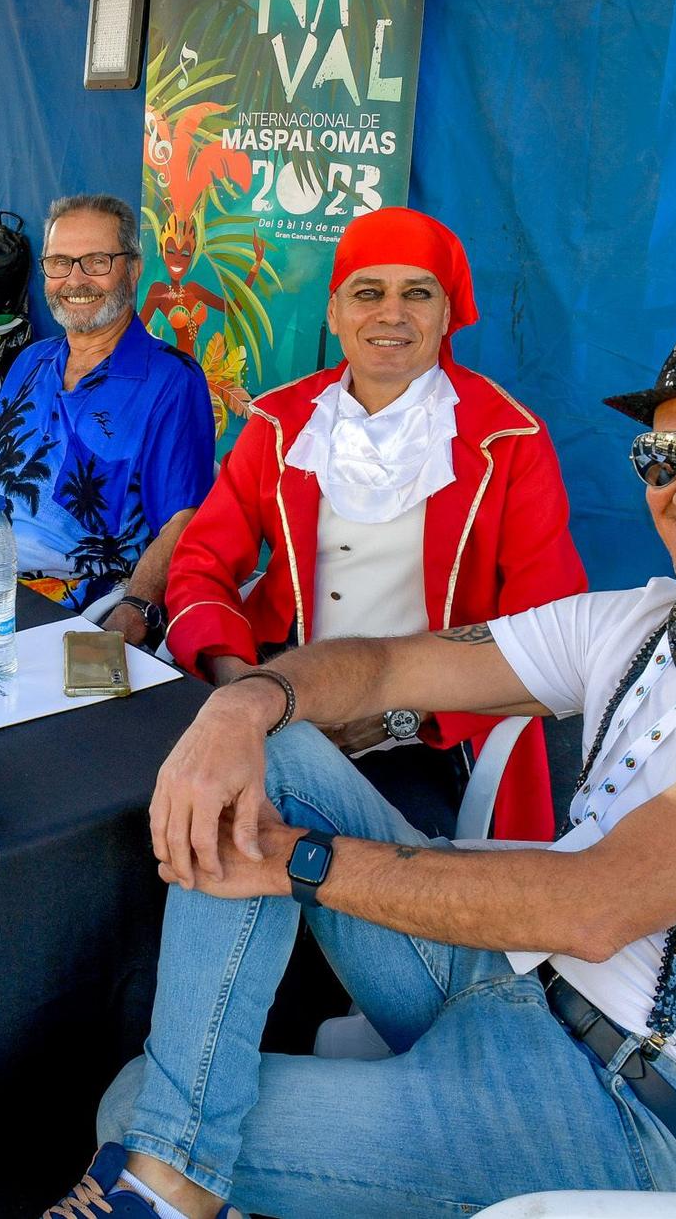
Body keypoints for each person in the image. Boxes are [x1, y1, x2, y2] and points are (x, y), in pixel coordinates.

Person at [46, 287, 676, 1218]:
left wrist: (292, 862)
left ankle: (172, 1176)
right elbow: (383, 667)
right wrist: (245, 703)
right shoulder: (647, 619)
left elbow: (593, 906)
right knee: (275, 757)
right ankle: (173, 1176)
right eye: (664, 455)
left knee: (140, 1108)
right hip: (522, 989)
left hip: (639, 1120)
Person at [165, 208, 586, 841]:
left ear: (446, 314)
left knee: (261, 838)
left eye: (417, 293)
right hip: (279, 693)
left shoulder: (510, 441)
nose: (391, 314)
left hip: (431, 728)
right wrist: (242, 684)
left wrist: (400, 718)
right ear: (334, 313)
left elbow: (547, 624)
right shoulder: (279, 426)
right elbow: (201, 563)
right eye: (369, 293)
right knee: (213, 824)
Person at [0, 193, 215, 634]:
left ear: (134, 268)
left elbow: (181, 524)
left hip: (70, 614)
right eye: (60, 262)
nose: (75, 279)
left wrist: (130, 619)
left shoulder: (170, 380)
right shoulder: (33, 361)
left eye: (97, 261)